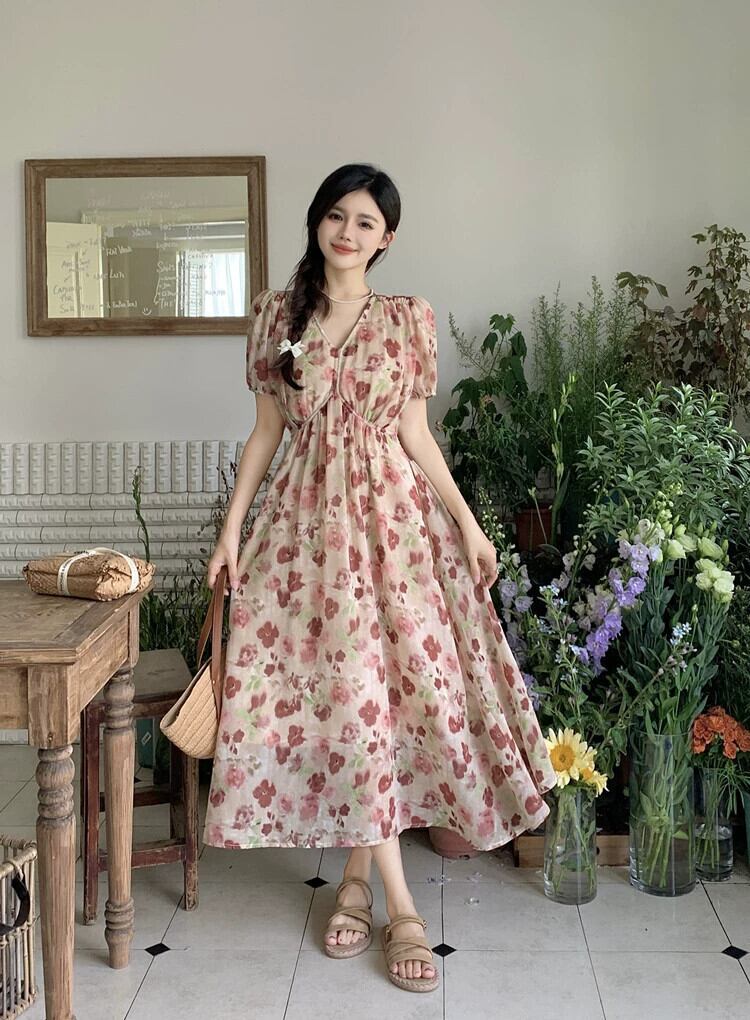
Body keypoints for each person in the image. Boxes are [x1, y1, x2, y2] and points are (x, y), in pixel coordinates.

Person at [203, 163, 557, 994]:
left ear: (386, 238)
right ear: (317, 222)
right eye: (336, 216)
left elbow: (416, 434)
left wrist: (468, 524)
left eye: (365, 222)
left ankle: (363, 885)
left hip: (394, 532)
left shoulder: (407, 319)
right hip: (303, 536)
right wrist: (231, 531)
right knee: (346, 700)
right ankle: (397, 904)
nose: (347, 232)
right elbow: (264, 434)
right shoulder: (277, 316)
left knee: (380, 699)